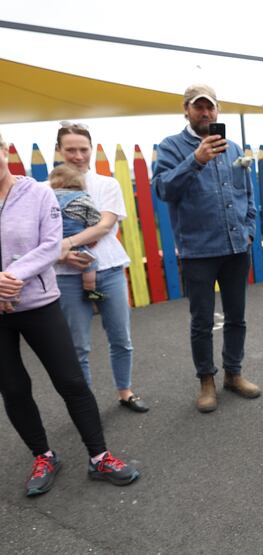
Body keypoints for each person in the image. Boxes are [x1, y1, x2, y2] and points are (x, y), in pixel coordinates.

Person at [0, 132, 139, 497]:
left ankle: (99, 456)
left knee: (72, 381)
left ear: (4, 152)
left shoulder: (38, 193)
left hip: (38, 303)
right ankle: (43, 455)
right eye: (71, 148)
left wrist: (13, 277)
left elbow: (51, 244)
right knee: (13, 388)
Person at [153, 84, 260, 413]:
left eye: (210, 107)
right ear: (186, 109)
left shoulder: (232, 147)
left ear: (217, 110)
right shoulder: (171, 147)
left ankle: (233, 373)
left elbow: (246, 193)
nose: (205, 113)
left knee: (236, 317)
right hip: (197, 250)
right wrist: (195, 160)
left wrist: (250, 229)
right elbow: (163, 188)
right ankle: (206, 381)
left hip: (235, 247)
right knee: (201, 321)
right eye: (198, 107)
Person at [54, 123, 149, 414]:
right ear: (59, 151)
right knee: (78, 345)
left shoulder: (107, 184)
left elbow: (104, 225)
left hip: (108, 269)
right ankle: (85, 403)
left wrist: (64, 244)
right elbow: (42, 232)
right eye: (71, 149)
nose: (78, 156)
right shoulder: (45, 188)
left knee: (121, 338)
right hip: (66, 276)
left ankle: (125, 391)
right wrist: (62, 254)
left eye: (83, 149)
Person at [48, 165, 105, 302]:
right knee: (90, 263)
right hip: (77, 237)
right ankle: (90, 289)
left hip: (56, 238)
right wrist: (91, 227)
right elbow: (94, 217)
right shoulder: (82, 197)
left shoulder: (48, 196)